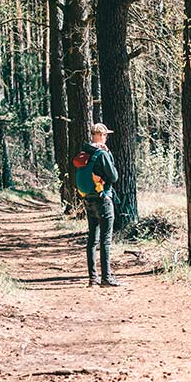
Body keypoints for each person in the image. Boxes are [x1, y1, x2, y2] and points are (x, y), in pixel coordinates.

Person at [73, 123, 122, 287]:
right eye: (106, 135)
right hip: (104, 199)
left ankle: (92, 278)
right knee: (105, 240)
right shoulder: (102, 154)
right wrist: (108, 154)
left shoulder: (84, 153)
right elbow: (113, 176)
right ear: (101, 136)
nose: (107, 137)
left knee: (92, 239)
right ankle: (106, 278)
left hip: (88, 200)